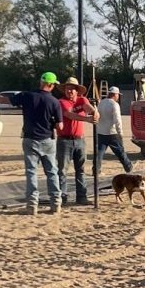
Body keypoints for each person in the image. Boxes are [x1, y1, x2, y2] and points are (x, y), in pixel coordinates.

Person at [0, 72, 62, 215]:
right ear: (51, 85)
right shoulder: (54, 102)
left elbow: (1, 100)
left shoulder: (27, 96)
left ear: (40, 83)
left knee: (31, 173)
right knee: (52, 172)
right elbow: (60, 127)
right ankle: (56, 204)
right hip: (48, 140)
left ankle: (32, 205)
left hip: (30, 139)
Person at [55, 77, 97, 206]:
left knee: (81, 169)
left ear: (77, 90)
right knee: (62, 170)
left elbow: (89, 108)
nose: (70, 91)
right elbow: (69, 114)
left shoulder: (82, 100)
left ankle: (81, 196)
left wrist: (95, 113)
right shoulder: (61, 102)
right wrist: (87, 119)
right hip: (64, 140)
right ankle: (62, 197)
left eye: (72, 89)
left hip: (80, 140)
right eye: (68, 89)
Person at [95, 85, 133, 173]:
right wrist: (120, 132)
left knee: (99, 153)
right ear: (115, 94)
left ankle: (96, 170)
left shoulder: (101, 103)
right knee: (120, 151)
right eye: (118, 95)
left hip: (101, 132)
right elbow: (117, 120)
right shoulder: (114, 105)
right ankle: (128, 166)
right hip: (112, 133)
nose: (118, 97)